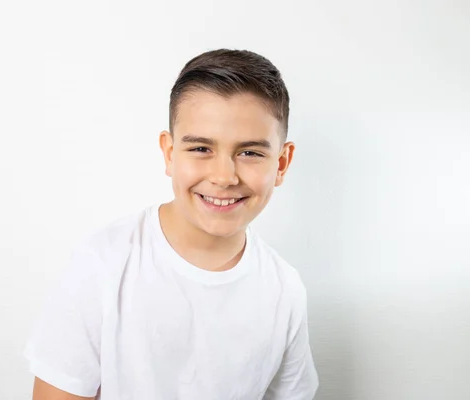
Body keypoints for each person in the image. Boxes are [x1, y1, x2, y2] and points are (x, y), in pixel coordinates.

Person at [24, 48, 319, 400]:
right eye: (200, 149)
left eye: (250, 152)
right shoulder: (103, 263)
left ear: (282, 163)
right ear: (169, 153)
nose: (224, 177)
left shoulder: (284, 290)